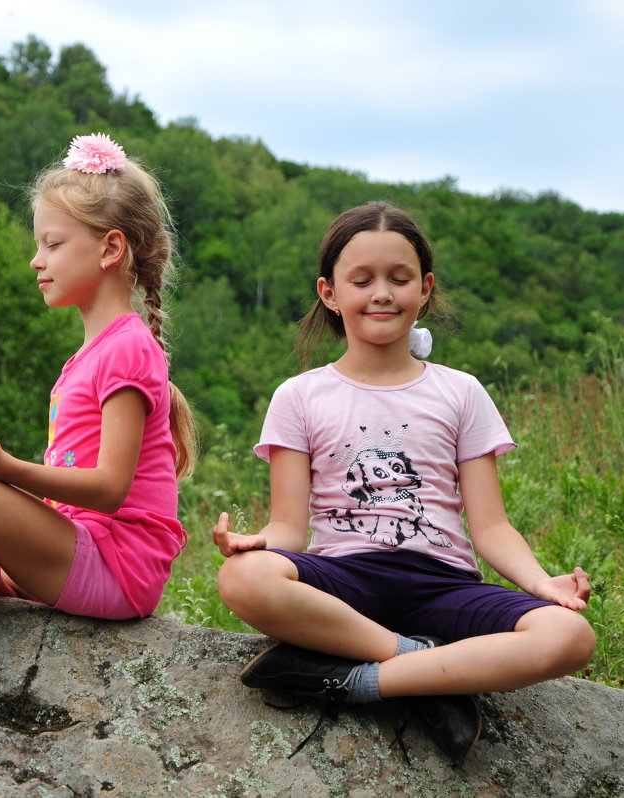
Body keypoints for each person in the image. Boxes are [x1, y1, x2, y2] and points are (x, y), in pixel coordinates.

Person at [211, 201, 595, 763]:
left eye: (399, 278)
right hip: (346, 579)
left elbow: (490, 526)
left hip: (443, 583)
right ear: (329, 293)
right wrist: (256, 545)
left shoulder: (461, 392)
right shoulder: (299, 396)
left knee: (570, 637)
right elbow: (289, 528)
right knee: (243, 578)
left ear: (426, 288)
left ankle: (364, 681)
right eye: (361, 280)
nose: (382, 294)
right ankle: (424, 663)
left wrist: (543, 585)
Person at [0, 133, 195, 657]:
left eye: (53, 243)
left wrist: (0, 469)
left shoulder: (128, 349)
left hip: (117, 568)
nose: (35, 260)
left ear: (111, 248)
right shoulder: (91, 354)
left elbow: (110, 489)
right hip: (76, 548)